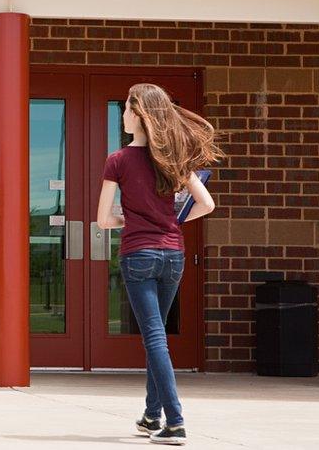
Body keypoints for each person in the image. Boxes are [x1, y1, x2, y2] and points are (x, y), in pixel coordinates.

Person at [96, 83, 219, 446]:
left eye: (126, 108)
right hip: (173, 256)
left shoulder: (117, 160)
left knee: (154, 338)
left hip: (138, 255)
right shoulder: (174, 156)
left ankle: (176, 421)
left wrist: (129, 221)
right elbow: (207, 204)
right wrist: (173, 221)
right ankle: (153, 416)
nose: (122, 115)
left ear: (139, 115)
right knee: (157, 338)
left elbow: (103, 219)